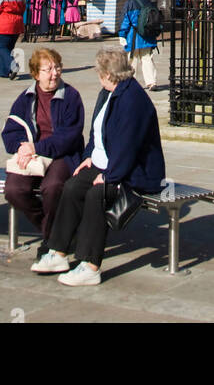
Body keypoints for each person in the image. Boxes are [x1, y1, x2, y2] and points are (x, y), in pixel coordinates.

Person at [32, 47, 164, 286]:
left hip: (134, 172)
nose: (99, 77)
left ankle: (90, 264)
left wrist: (110, 175)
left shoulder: (132, 100)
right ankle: (58, 251)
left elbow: (128, 145)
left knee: (96, 195)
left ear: (109, 75)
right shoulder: (109, 92)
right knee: (71, 187)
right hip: (107, 164)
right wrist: (88, 156)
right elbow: (96, 132)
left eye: (100, 73)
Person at [2, 48, 85, 258]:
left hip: (62, 155)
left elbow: (69, 137)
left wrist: (36, 148)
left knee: (53, 187)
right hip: (34, 156)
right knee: (14, 190)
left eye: (57, 67)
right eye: (48, 69)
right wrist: (22, 147)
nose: (54, 73)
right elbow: (10, 131)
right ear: (36, 74)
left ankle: (50, 240)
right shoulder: (26, 99)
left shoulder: (71, 97)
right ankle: (55, 229)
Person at [119, 0, 161, 91]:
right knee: (147, 59)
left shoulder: (130, 3)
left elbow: (125, 21)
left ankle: (130, 83)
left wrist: (122, 34)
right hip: (147, 36)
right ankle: (151, 82)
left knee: (132, 60)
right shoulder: (149, 2)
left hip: (133, 37)